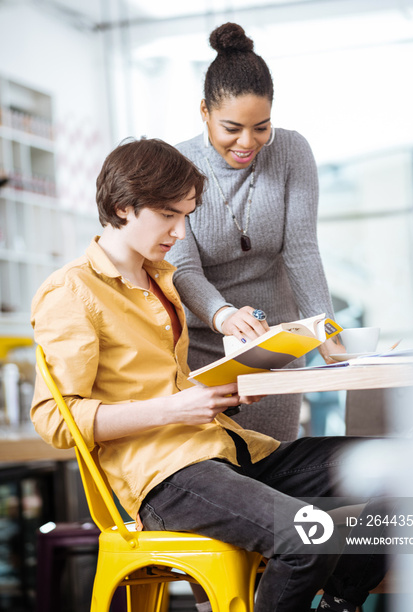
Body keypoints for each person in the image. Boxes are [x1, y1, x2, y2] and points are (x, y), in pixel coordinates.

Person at [30, 137, 386, 612]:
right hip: (164, 477)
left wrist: (221, 392)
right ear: (122, 207)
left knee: (402, 466)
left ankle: (339, 602)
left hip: (227, 449)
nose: (180, 232)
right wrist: (177, 407)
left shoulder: (159, 278)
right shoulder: (72, 291)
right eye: (168, 215)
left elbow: (163, 384)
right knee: (310, 536)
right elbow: (55, 419)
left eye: (186, 215)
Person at [167, 22, 344, 442]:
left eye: (261, 126)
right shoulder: (175, 164)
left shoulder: (291, 151)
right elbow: (183, 268)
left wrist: (328, 332)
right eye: (231, 128)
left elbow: (302, 251)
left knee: (277, 464)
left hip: (276, 347)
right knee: (221, 477)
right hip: (205, 349)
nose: (248, 142)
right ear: (204, 112)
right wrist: (224, 315)